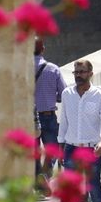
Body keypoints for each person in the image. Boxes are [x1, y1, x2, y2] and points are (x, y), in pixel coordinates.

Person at [57, 57, 101, 202]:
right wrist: (59, 145)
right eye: (76, 72)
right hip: (71, 148)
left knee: (94, 187)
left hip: (92, 149)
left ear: (90, 73)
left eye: (82, 72)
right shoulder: (67, 94)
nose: (78, 75)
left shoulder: (100, 96)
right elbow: (63, 122)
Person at [34, 38, 66, 181]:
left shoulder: (21, 68)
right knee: (51, 150)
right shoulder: (52, 68)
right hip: (48, 115)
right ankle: (45, 177)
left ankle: (37, 179)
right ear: (43, 49)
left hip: (29, 116)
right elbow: (63, 93)